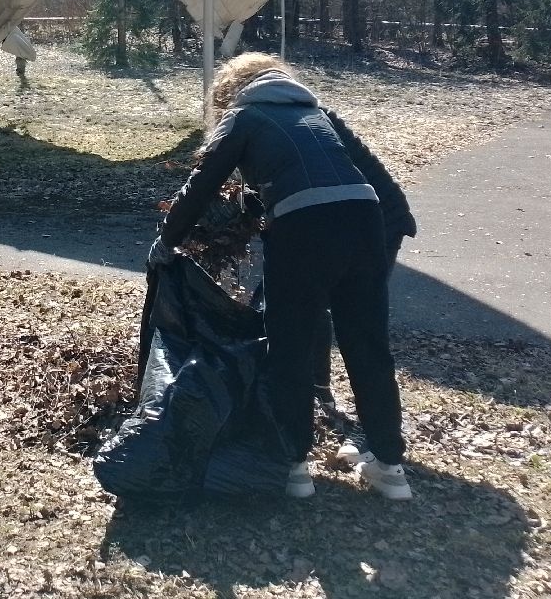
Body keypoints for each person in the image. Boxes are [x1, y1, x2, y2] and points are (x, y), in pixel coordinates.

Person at [157, 52, 411, 500]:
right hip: (366, 221)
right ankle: (390, 468)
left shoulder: (245, 115)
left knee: (289, 344)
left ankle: (295, 468)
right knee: (368, 343)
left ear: (231, 91)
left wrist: (169, 238)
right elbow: (360, 175)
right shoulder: (319, 114)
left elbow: (204, 181)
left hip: (304, 228)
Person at [311, 110, 416, 465]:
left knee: (359, 331)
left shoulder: (271, 120)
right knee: (317, 308)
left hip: (373, 223)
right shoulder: (306, 112)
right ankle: (321, 393)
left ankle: (378, 441)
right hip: (366, 218)